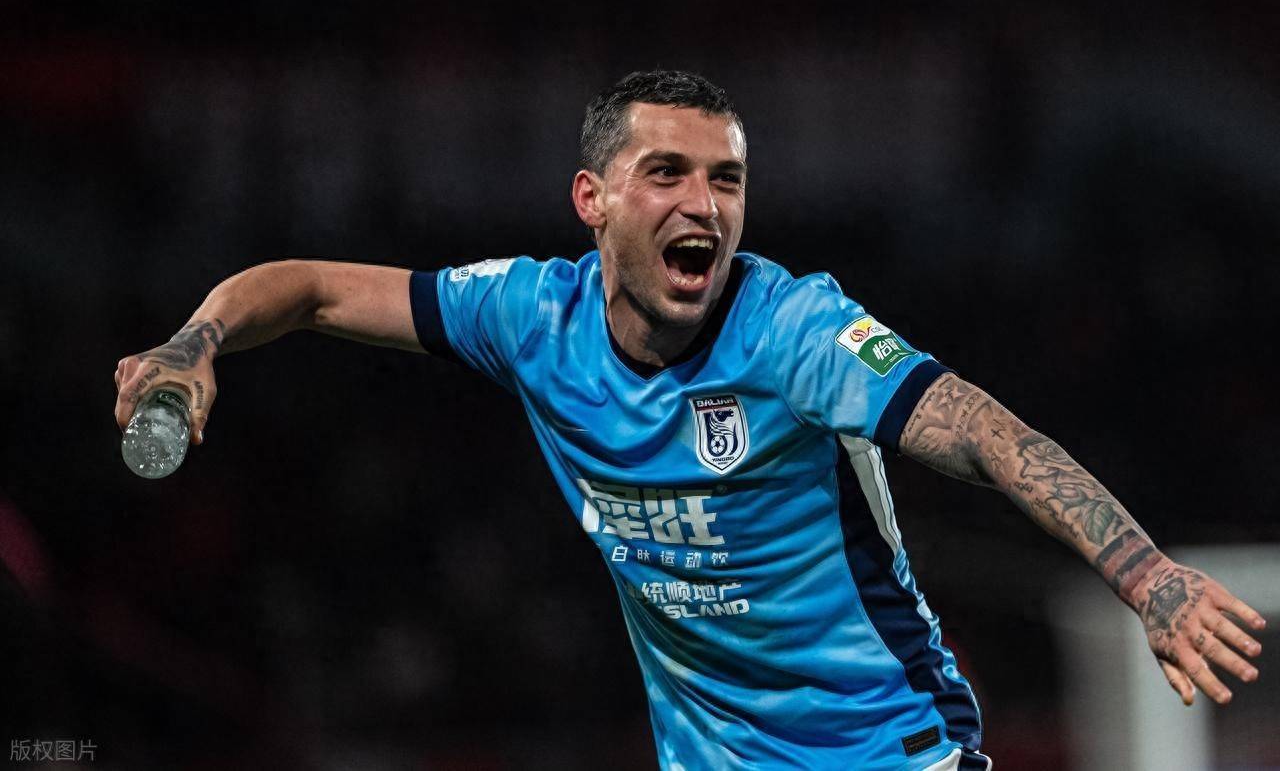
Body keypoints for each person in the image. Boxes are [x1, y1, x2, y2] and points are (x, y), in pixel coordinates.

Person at [113, 70, 1264, 770]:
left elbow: (982, 432)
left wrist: (1145, 576)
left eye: (725, 179)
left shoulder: (793, 330)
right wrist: (194, 342)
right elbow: (310, 288)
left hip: (888, 752)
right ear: (593, 199)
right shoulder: (529, 316)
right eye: (665, 172)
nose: (702, 203)